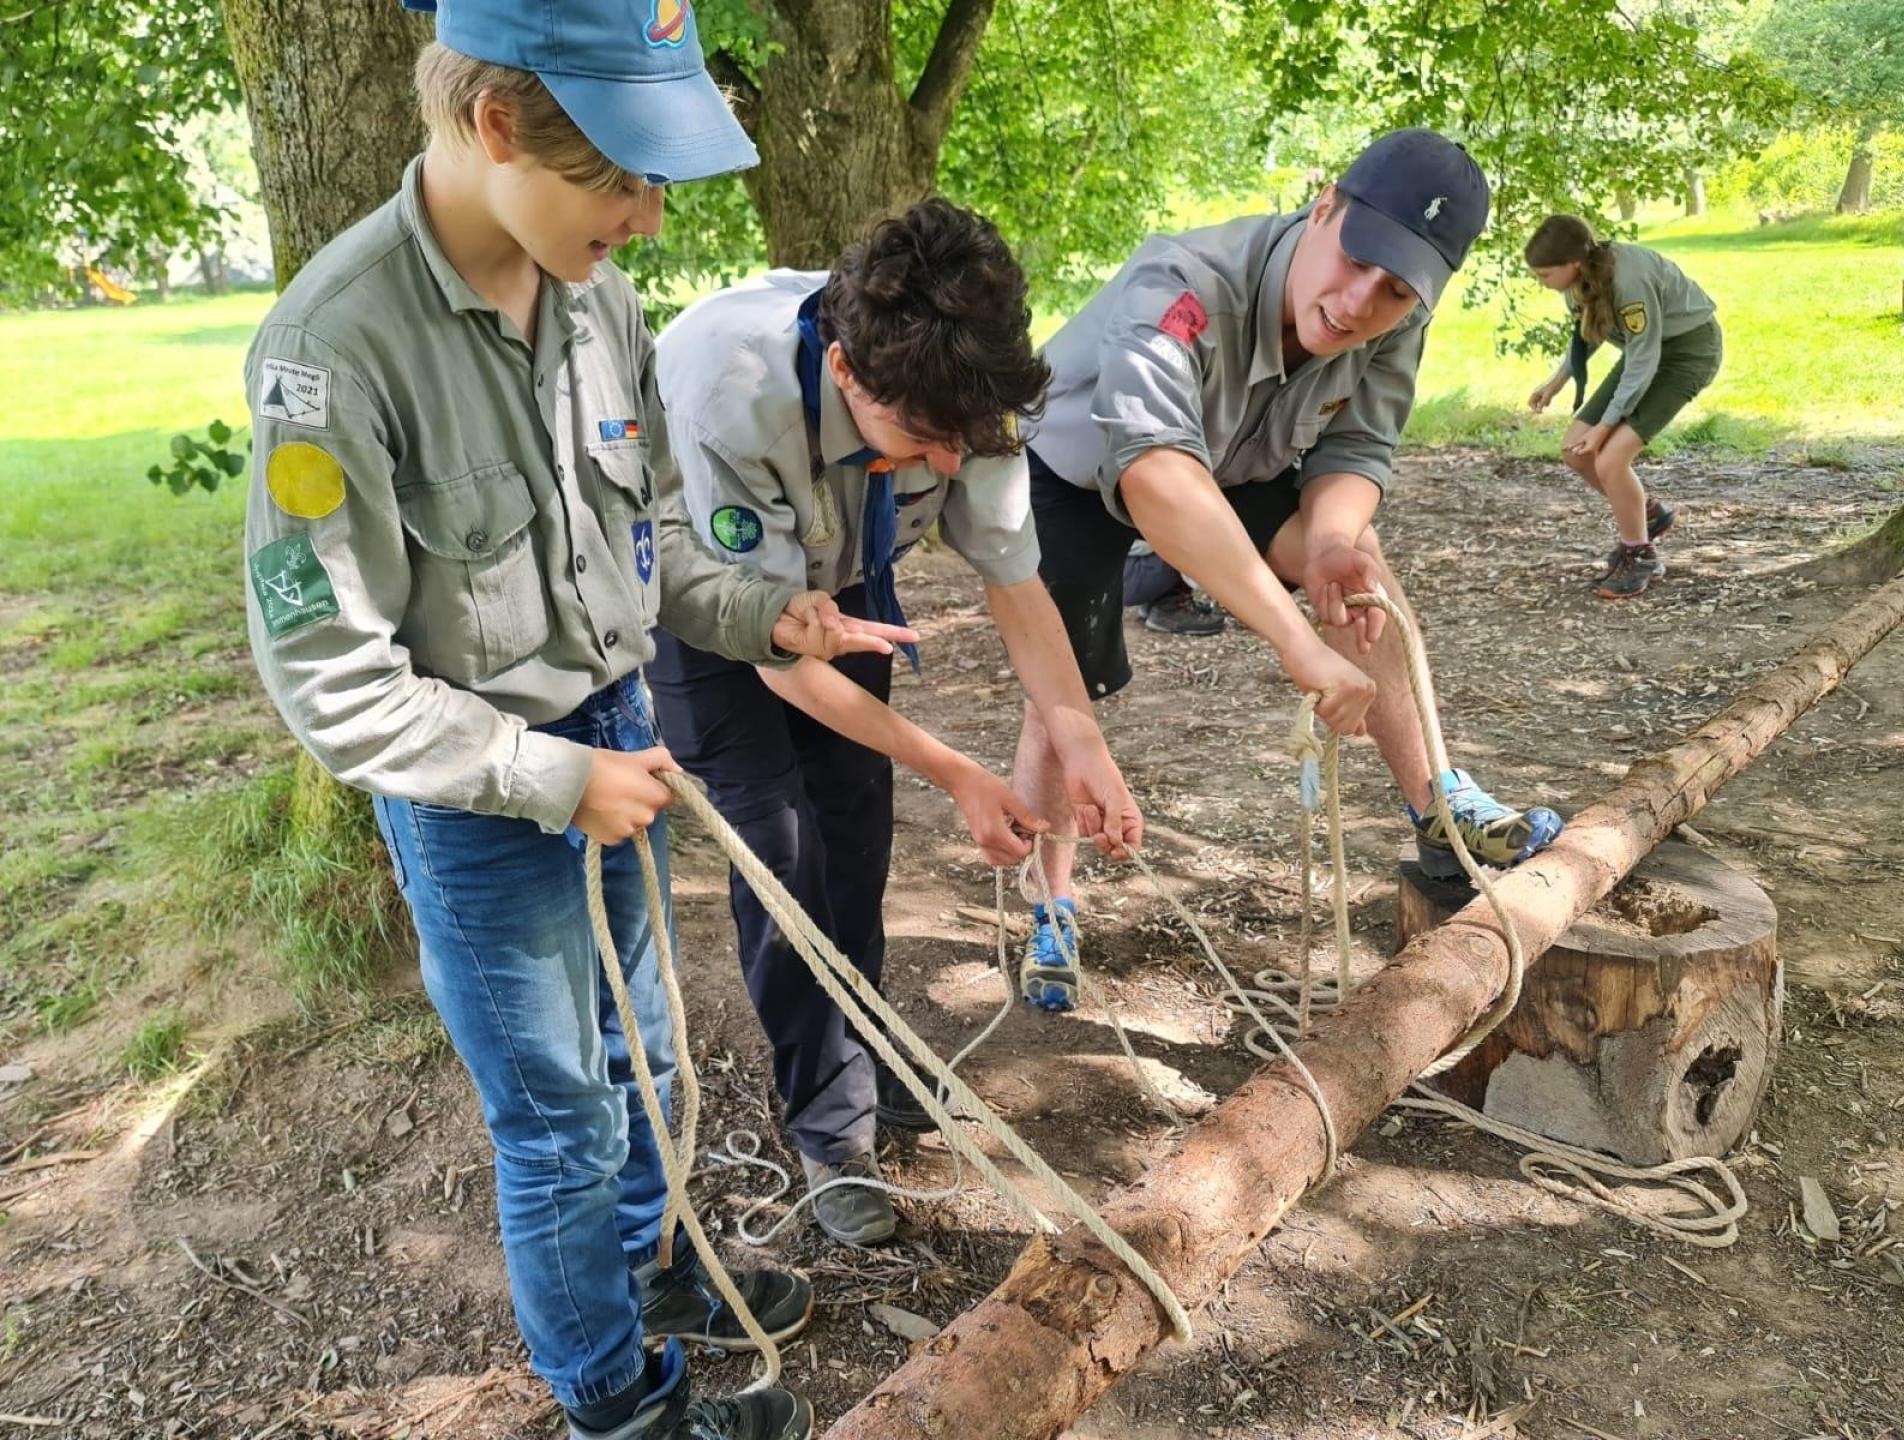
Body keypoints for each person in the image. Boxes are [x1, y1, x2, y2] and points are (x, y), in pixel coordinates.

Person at [239, 3, 903, 1435]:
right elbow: (327, 672)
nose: (651, 220)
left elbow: (652, 523)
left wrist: (760, 614)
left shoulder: (595, 287)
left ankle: (648, 1274)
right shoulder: (333, 350)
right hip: (484, 789)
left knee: (649, 1059)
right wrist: (551, 777)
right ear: (493, 126)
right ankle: (616, 1398)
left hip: (617, 731)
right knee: (557, 1121)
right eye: (623, 176)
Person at [645, 200, 1143, 1246]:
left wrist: (1083, 744)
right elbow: (777, 661)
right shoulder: (732, 397)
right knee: (783, 852)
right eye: (925, 442)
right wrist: (958, 770)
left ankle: (859, 1045)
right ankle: (829, 1125)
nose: (955, 467)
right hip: (719, 615)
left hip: (844, 589)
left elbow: (1018, 590)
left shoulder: (964, 394)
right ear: (846, 374)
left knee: (855, 829)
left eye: (970, 439)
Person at [1010, 129, 1567, 1010]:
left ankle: (1439, 808)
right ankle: (1049, 901)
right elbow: (1156, 473)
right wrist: (1294, 641)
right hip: (1081, 468)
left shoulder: (1397, 314)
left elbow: (1356, 443)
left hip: (1241, 461)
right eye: (1356, 261)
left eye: (1395, 290)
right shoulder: (1182, 284)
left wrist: (1335, 540)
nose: (1357, 305)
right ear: (1323, 208)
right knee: (1066, 686)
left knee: (1363, 575)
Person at [1524, 214, 1722, 600]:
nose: (1540, 282)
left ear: (1573, 264)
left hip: (1685, 353)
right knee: (1575, 450)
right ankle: (1646, 513)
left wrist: (1608, 423)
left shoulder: (1629, 280)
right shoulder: (1580, 282)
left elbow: (1645, 359)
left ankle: (1640, 554)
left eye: (1545, 274)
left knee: (1610, 458)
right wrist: (1556, 381)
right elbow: (1591, 332)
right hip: (1643, 353)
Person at [1121, 541, 1228, 636]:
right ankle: (1170, 608)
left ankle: (1157, 603)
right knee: (1192, 539)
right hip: (1132, 574)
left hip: (1121, 572)